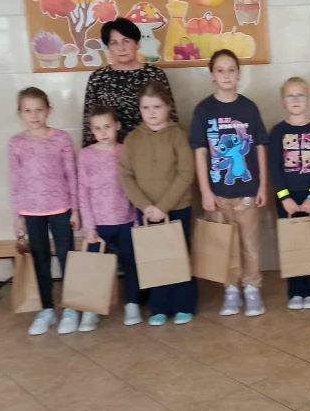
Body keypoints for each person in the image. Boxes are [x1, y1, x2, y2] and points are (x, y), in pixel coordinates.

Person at [191, 49, 269, 317]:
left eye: (231, 70)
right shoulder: (204, 110)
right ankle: (231, 288)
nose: (226, 75)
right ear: (212, 75)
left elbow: (260, 146)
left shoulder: (248, 108)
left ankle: (252, 287)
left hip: (247, 192)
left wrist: (262, 185)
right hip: (217, 193)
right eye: (220, 70)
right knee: (225, 244)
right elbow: (200, 151)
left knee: (249, 243)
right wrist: (205, 191)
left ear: (239, 74)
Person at [119, 81, 196, 325]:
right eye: (146, 107)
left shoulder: (178, 135)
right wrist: (146, 206)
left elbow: (186, 173)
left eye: (157, 107)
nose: (151, 112)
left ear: (168, 107)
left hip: (177, 208)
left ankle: (183, 305)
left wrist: (163, 207)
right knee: (155, 258)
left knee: (179, 256)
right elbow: (125, 176)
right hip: (147, 212)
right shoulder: (132, 139)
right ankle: (159, 307)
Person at [8, 87, 80, 336]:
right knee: (40, 260)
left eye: (39, 110)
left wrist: (76, 209)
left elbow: (72, 175)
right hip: (31, 211)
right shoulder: (16, 143)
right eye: (28, 111)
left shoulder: (61, 139)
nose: (34, 115)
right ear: (20, 113)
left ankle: (71, 308)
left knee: (66, 257)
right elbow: (15, 182)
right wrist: (18, 217)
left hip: (61, 208)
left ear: (48, 110)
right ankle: (47, 309)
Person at [79, 106, 141, 327]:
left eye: (107, 126)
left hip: (126, 220)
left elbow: (135, 186)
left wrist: (136, 220)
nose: (103, 132)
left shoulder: (126, 151)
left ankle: (132, 304)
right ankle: (91, 308)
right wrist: (89, 226)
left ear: (117, 126)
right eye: (97, 128)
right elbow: (83, 191)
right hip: (98, 225)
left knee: (131, 263)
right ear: (91, 130)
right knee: (94, 266)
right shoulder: (85, 155)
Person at [268, 77, 310, 310]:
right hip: (287, 199)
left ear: (308, 99)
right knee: (291, 242)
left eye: (300, 95)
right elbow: (275, 168)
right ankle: (295, 291)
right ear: (282, 101)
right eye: (290, 95)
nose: (295, 99)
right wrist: (285, 198)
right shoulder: (277, 132)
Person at [81, 17, 177, 147]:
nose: (121, 48)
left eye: (126, 41)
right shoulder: (98, 78)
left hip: (151, 148)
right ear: (108, 47)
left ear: (137, 44)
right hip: (111, 152)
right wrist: (90, 154)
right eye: (114, 43)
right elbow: (89, 123)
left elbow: (171, 116)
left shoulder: (155, 75)